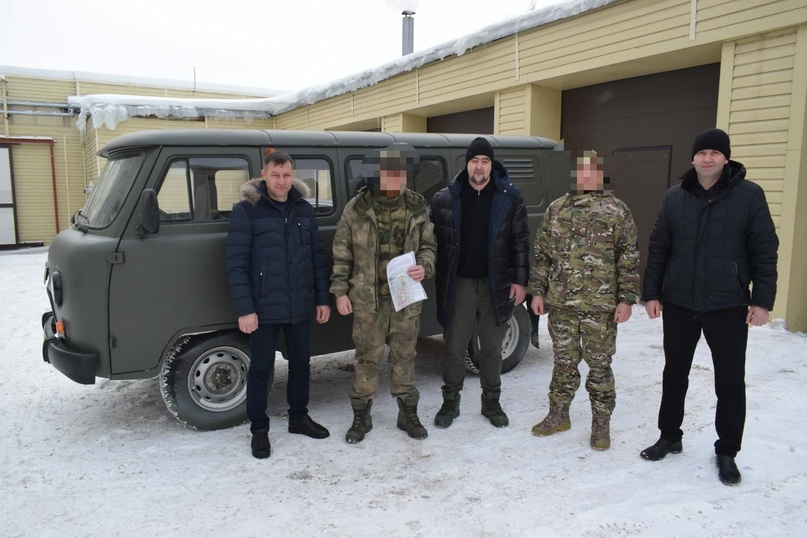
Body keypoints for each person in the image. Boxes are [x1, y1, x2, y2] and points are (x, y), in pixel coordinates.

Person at [640, 128, 778, 485]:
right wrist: (652, 293)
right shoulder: (674, 197)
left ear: (725, 158)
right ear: (693, 157)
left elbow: (764, 250)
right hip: (680, 302)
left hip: (728, 305)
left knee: (729, 381)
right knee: (675, 374)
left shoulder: (749, 195)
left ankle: (727, 451)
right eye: (702, 152)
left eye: (715, 153)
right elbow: (659, 248)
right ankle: (669, 436)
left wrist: (762, 300)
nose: (707, 158)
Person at [528, 150, 640, 450]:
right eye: (581, 171)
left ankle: (601, 424)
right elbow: (542, 255)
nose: (586, 176)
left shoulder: (617, 210)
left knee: (599, 366)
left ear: (600, 175)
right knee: (563, 363)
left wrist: (626, 299)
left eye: (592, 171)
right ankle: (558, 415)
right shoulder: (557, 209)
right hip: (561, 304)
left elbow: (628, 258)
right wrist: (537, 291)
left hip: (600, 307)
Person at [226, 150, 332, 459]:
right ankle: (259, 429)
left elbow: (316, 257)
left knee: (301, 365)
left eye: (286, 175)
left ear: (292, 175)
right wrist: (245, 309)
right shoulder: (247, 210)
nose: (282, 181)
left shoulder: (303, 209)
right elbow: (236, 263)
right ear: (264, 175)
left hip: (300, 302)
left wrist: (322, 298)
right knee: (261, 369)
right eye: (275, 175)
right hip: (263, 306)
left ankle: (298, 417)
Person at [331, 143, 437, 444]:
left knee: (405, 357)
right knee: (367, 358)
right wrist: (340, 291)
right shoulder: (357, 208)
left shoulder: (417, 206)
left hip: (405, 299)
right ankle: (361, 416)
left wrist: (425, 266)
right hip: (368, 301)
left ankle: (408, 413)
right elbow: (341, 253)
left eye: (399, 171)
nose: (393, 177)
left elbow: (429, 246)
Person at [429, 136, 530, 429]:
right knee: (454, 346)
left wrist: (521, 281)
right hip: (458, 284)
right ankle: (450, 401)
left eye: (485, 161)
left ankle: (491, 401)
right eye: (475, 160)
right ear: (467, 164)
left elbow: (520, 241)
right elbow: (428, 241)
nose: (479, 166)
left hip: (495, 283)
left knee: (491, 348)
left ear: (491, 165)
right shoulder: (445, 199)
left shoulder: (510, 198)